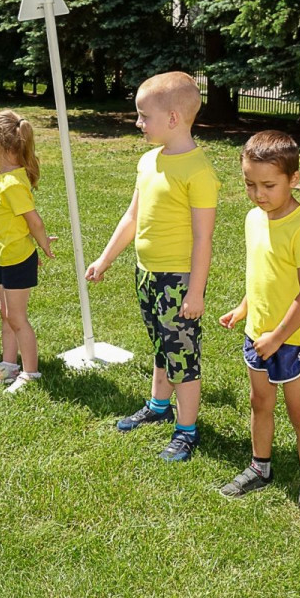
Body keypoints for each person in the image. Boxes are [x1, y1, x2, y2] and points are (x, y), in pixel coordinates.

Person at [85, 71, 219, 462]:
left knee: (183, 357)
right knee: (162, 347)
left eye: (144, 116)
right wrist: (105, 258)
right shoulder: (148, 162)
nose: (138, 123)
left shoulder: (198, 173)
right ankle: (160, 406)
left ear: (173, 119)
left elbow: (202, 239)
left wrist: (195, 292)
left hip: (178, 281)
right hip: (146, 274)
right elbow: (132, 216)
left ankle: (187, 430)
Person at [217, 130, 300, 528]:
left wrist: (277, 337)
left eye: (268, 185)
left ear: (293, 179)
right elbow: (261, 276)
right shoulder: (253, 218)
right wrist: (243, 308)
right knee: (259, 404)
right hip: (257, 335)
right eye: (249, 184)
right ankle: (260, 467)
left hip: (291, 341)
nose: (258, 194)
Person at [0, 110, 57, 393]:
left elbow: (32, 219)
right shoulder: (5, 176)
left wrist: (44, 242)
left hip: (17, 259)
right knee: (6, 313)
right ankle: (9, 366)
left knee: (17, 318)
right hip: (2, 257)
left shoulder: (12, 182)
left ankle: (30, 373)